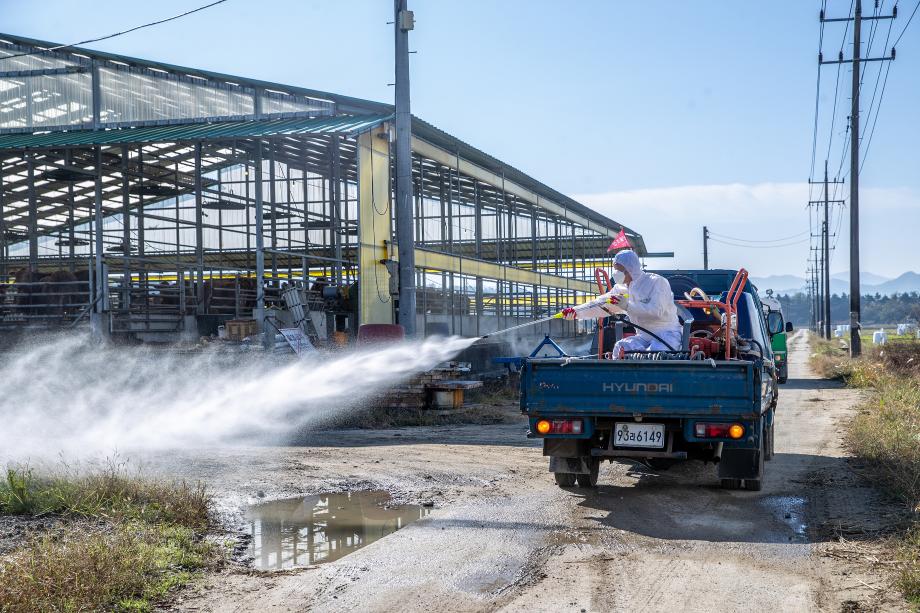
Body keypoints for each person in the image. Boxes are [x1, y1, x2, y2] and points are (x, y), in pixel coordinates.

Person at [563, 250, 682, 358]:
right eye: (614, 269)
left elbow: (656, 312)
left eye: (618, 269)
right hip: (643, 336)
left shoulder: (656, 282)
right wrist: (576, 312)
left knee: (655, 355)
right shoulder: (621, 289)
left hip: (667, 335)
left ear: (630, 268)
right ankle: (622, 380)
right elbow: (601, 304)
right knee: (620, 347)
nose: (615, 273)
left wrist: (627, 306)